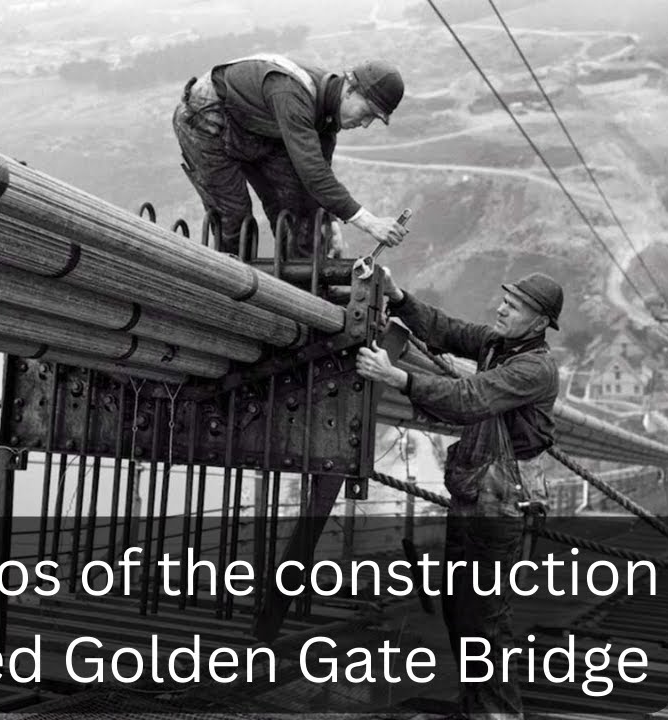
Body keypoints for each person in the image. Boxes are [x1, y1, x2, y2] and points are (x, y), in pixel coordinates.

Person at [355, 268, 563, 720]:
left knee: (484, 620)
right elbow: (448, 330)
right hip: (477, 497)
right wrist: (399, 295)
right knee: (461, 613)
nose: (503, 307)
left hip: (500, 505)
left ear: (539, 323)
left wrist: (399, 379)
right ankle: (476, 711)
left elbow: (470, 398)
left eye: (515, 306)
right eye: (505, 299)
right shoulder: (499, 346)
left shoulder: (534, 367)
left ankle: (497, 714)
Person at [173, 54, 409, 258]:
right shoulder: (291, 93)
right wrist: (370, 223)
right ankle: (231, 284)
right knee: (234, 217)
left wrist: (329, 224)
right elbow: (313, 173)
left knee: (300, 209)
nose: (365, 124)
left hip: (257, 129)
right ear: (349, 90)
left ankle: (303, 288)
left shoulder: (326, 117)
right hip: (207, 123)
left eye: (373, 119)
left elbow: (317, 178)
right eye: (367, 112)